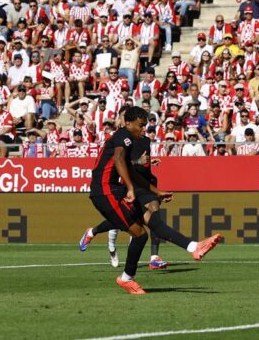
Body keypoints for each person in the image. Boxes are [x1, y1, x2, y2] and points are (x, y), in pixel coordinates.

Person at [79, 106, 221, 294]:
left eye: (145, 125)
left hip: (114, 189)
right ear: (128, 123)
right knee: (140, 234)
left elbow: (130, 171)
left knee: (153, 221)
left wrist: (156, 191)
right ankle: (126, 278)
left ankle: (194, 247)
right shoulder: (124, 136)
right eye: (140, 125)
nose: (144, 129)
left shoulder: (130, 139)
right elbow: (119, 159)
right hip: (104, 192)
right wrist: (130, 188)